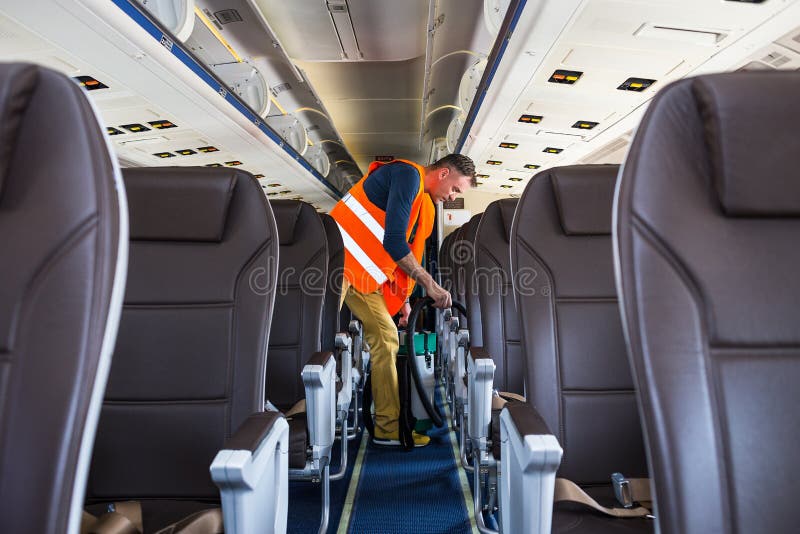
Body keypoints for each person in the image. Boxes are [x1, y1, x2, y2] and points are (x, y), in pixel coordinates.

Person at [330, 154, 476, 447]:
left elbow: (406, 254)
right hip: (336, 262)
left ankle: (387, 427)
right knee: (321, 341)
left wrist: (406, 301)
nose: (452, 197)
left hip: (363, 275)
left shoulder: (424, 204)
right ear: (443, 173)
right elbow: (394, 242)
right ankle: (304, 411)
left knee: (387, 340)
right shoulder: (408, 176)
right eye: (455, 189)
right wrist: (431, 286)